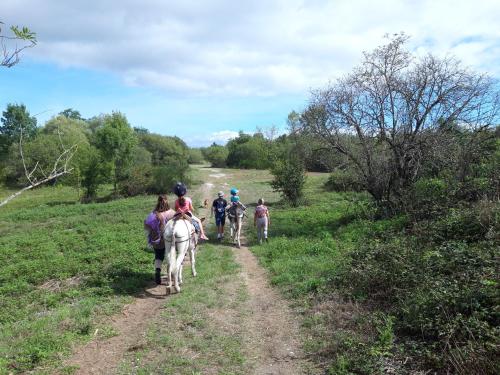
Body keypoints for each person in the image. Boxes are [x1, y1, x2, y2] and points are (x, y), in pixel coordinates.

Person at [144, 195, 176, 284]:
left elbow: (147, 227)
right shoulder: (172, 213)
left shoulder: (154, 213)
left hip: (157, 240)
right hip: (169, 239)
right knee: (170, 255)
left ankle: (157, 271)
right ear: (167, 201)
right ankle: (171, 275)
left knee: (158, 256)